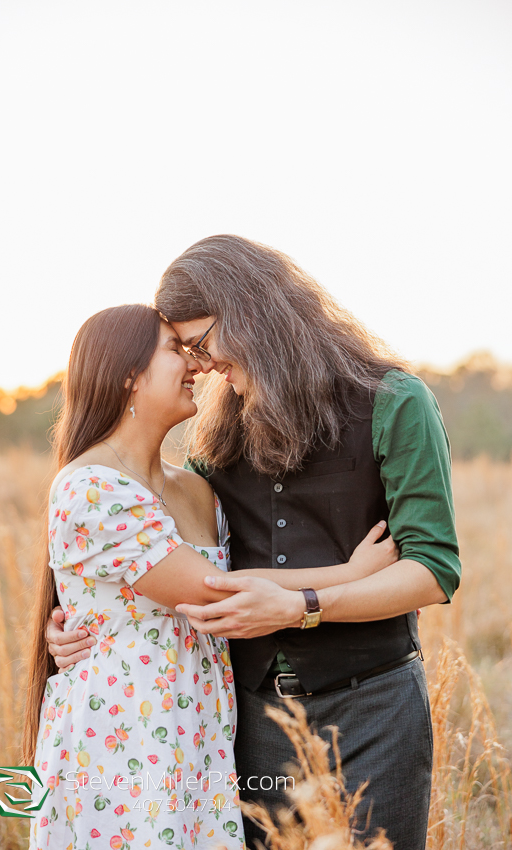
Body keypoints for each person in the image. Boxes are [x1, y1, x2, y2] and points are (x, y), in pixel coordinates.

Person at [47, 236, 460, 850]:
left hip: (376, 708)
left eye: (203, 344)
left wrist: (306, 605)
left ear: (251, 315)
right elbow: (192, 570)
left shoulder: (395, 404)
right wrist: (85, 622)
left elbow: (432, 569)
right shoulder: (212, 441)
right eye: (186, 351)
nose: (204, 365)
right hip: (247, 718)